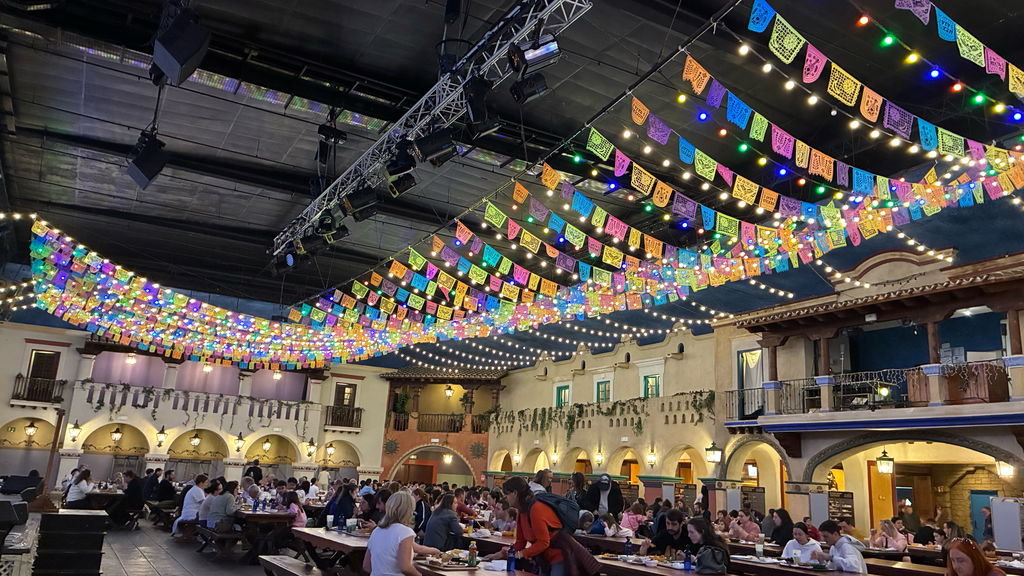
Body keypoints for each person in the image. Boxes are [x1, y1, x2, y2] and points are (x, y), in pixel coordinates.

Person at [364, 491, 439, 576]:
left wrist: (434, 551)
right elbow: (405, 567)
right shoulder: (405, 532)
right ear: (408, 511)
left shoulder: (377, 531)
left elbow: (366, 566)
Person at [502, 476, 563, 575]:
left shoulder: (536, 508)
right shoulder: (521, 512)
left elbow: (544, 542)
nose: (505, 498)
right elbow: (521, 542)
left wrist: (521, 554)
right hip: (543, 558)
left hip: (558, 556)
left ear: (515, 493)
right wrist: (501, 554)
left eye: (507, 494)